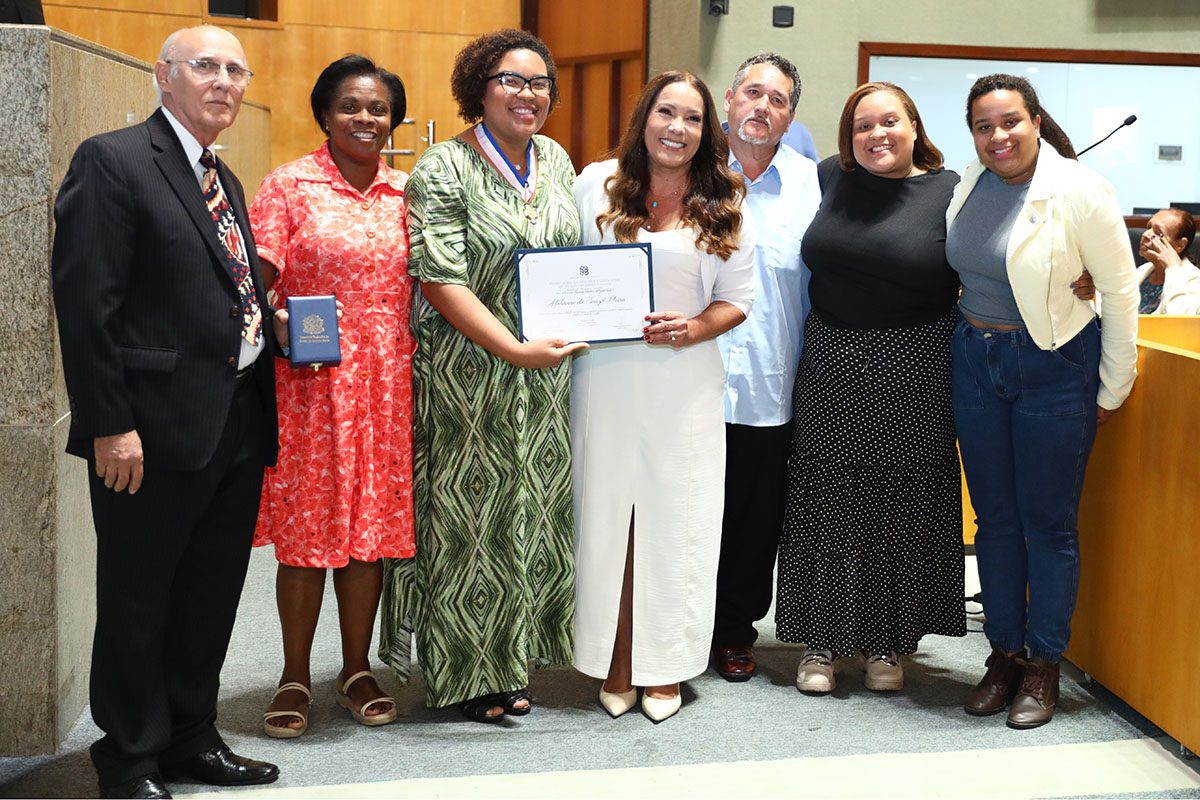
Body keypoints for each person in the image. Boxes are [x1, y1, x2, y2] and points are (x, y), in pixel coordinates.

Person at [52, 25, 280, 799]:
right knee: (138, 600)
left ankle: (191, 737)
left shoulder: (226, 178)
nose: (224, 81)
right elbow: (87, 308)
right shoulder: (113, 162)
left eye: (236, 70)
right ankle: (130, 758)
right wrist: (110, 422)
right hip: (145, 431)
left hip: (235, 419)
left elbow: (215, 292)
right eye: (206, 66)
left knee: (209, 597)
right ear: (164, 76)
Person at [378, 28, 585, 723]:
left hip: (546, 383)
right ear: (478, 87)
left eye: (538, 84)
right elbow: (439, 278)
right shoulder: (442, 167)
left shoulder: (555, 160)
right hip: (469, 379)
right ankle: (465, 672)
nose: (527, 96)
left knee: (525, 516)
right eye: (510, 81)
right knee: (469, 520)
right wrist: (514, 349)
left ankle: (511, 659)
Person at [948, 74, 1138, 729]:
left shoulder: (1080, 191)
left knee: (1047, 525)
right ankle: (1002, 654)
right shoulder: (969, 181)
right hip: (975, 358)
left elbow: (1118, 291)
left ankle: (1042, 667)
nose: (998, 137)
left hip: (1055, 365)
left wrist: (1112, 384)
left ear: (1035, 121)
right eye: (983, 126)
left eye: (1009, 122)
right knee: (993, 522)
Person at [573, 70, 756, 722]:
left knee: (678, 521)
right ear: (644, 118)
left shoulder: (725, 197)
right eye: (666, 113)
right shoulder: (595, 182)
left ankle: (668, 666)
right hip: (605, 380)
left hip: (684, 385)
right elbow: (563, 271)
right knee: (606, 516)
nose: (677, 128)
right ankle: (614, 656)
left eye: (693, 119)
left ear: (708, 132)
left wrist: (693, 328)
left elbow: (738, 299)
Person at [776, 82, 966, 696]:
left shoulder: (951, 190)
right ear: (847, 136)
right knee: (825, 496)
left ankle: (889, 640)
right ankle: (822, 640)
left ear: (914, 126)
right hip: (832, 356)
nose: (876, 134)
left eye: (889, 122)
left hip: (916, 360)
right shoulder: (828, 177)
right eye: (862, 126)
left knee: (903, 497)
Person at [250, 55, 412, 738]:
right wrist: (277, 317)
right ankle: (292, 674)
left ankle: (356, 667)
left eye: (378, 108)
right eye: (351, 106)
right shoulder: (289, 185)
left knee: (367, 537)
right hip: (313, 387)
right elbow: (250, 279)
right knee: (307, 536)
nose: (365, 119)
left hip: (387, 386)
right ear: (324, 113)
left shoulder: (410, 192)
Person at [710, 53, 820, 683]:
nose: (762, 108)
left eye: (777, 100)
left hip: (770, 384)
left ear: (790, 116)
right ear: (728, 100)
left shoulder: (812, 183)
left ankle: (734, 631)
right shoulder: (689, 172)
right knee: (686, 510)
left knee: (755, 518)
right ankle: (675, 628)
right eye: (753, 94)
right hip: (688, 378)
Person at [1135, 209, 1200, 315]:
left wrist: (1173, 268)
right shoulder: (1142, 270)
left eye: (1158, 233)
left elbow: (1178, 321)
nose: (1146, 234)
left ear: (1180, 245)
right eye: (1148, 227)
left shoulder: (1194, 279)